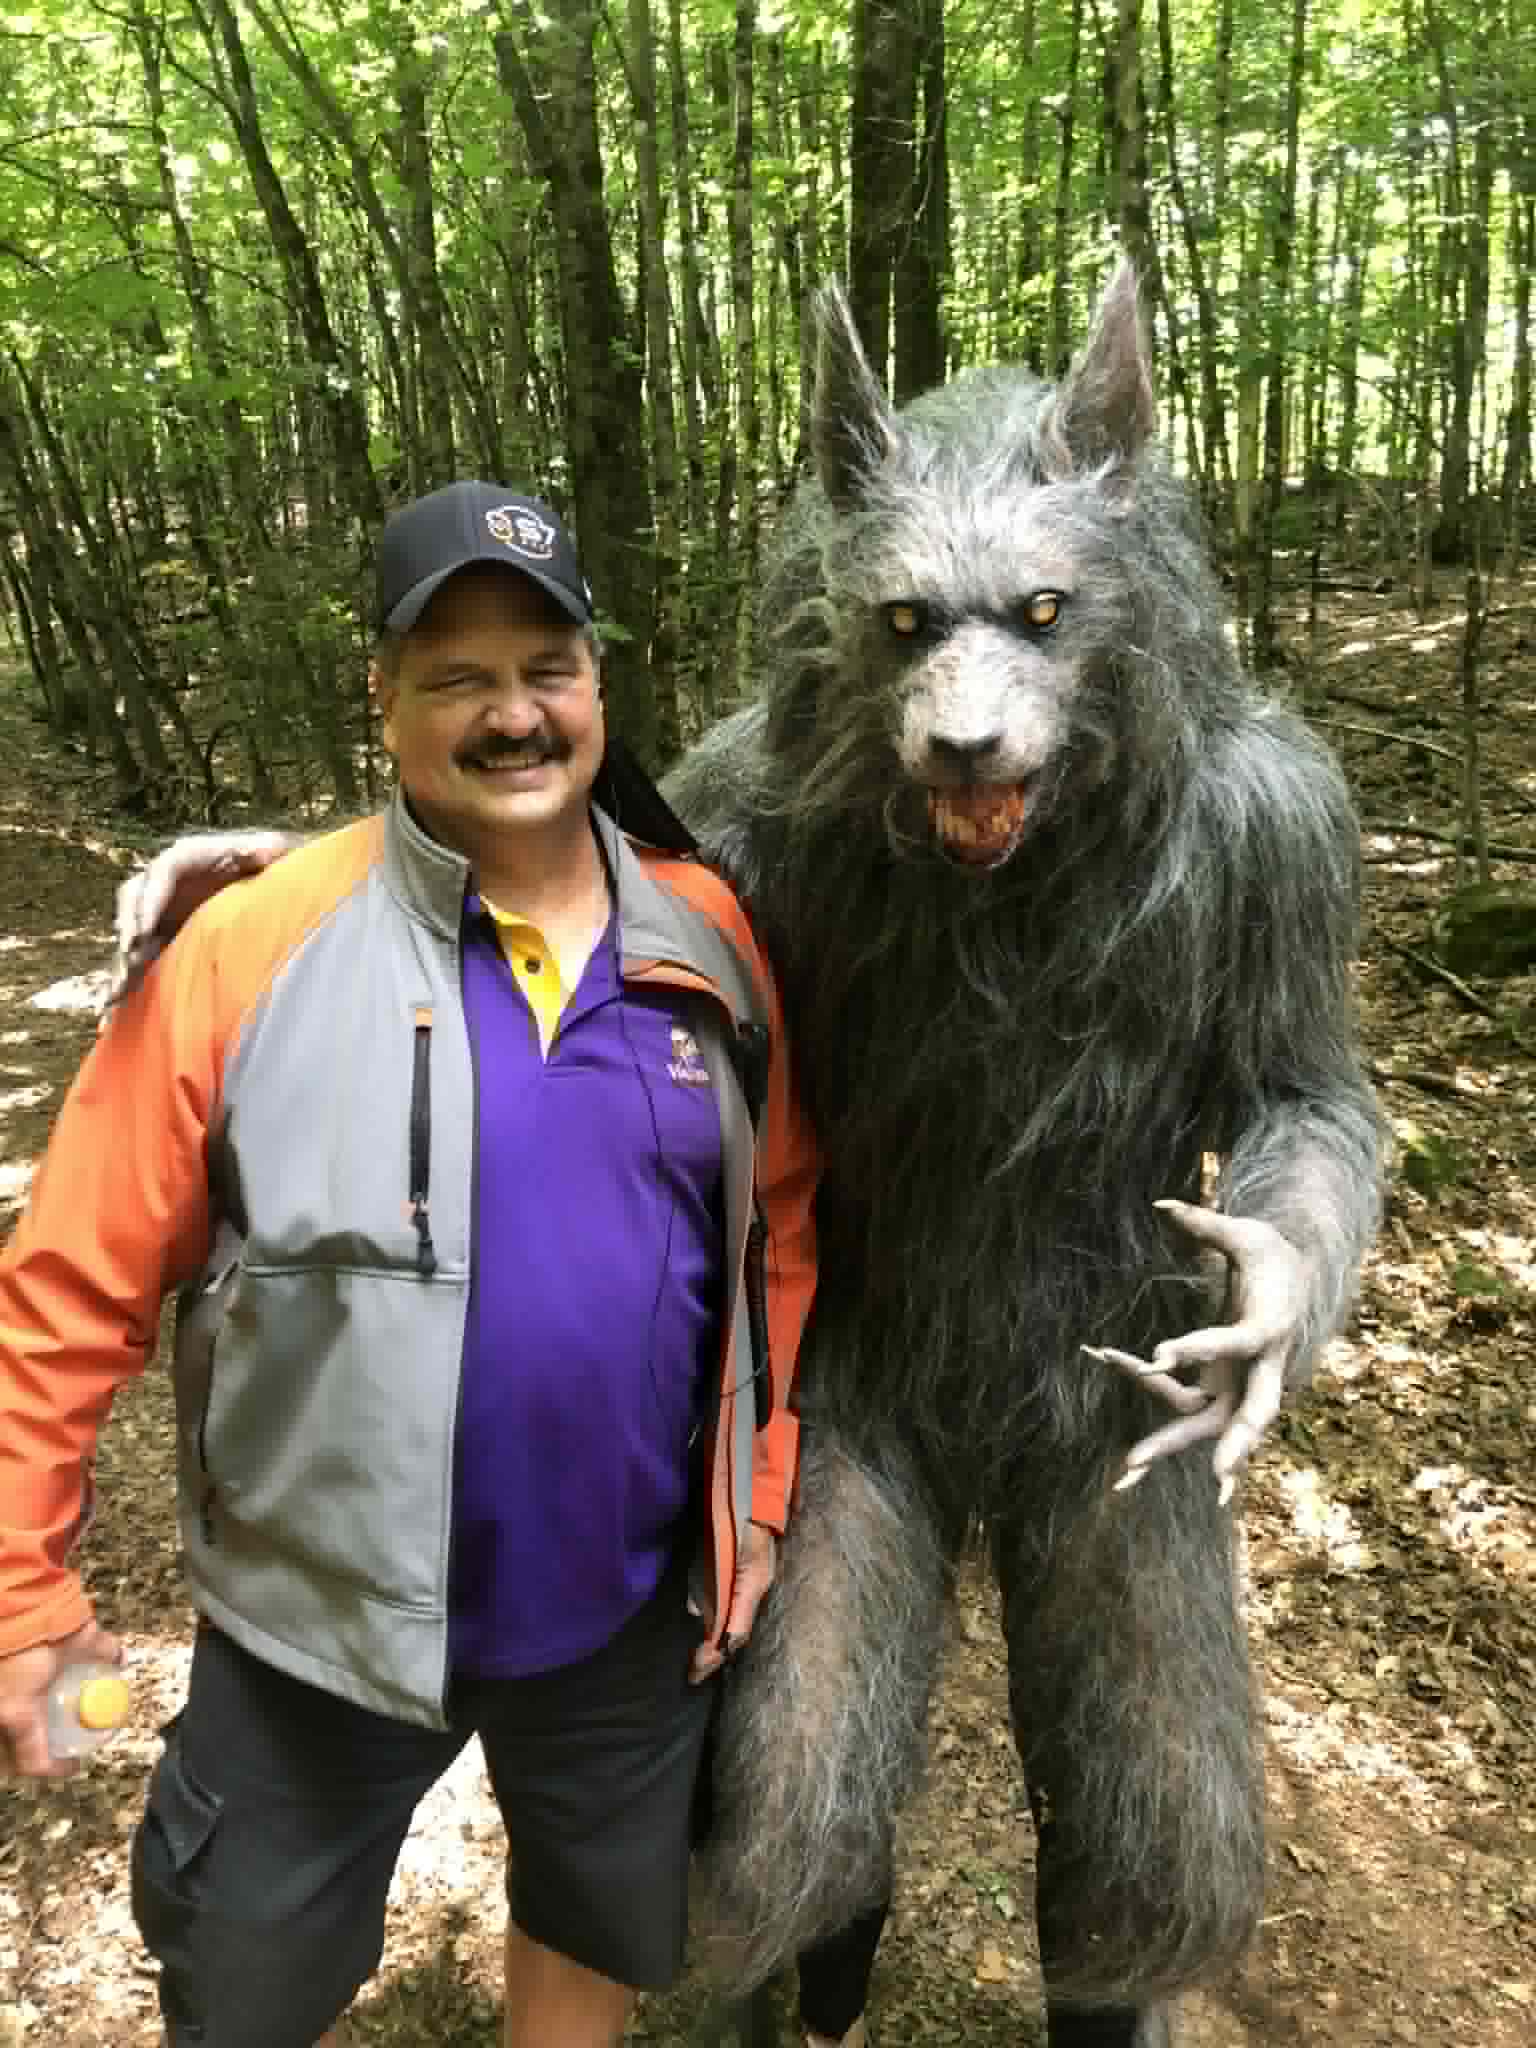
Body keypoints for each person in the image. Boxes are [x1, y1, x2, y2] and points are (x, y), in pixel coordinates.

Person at [0, 480, 819, 2048]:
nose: (513, 713)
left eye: (547, 667)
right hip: (318, 1637)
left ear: (598, 687)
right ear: (383, 700)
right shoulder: (253, 948)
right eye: (457, 676)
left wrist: (758, 1495)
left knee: (592, 1925)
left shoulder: (706, 938)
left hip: (627, 1617)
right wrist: (21, 1594)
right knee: (242, 1991)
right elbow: (66, 1290)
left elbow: (780, 1231)